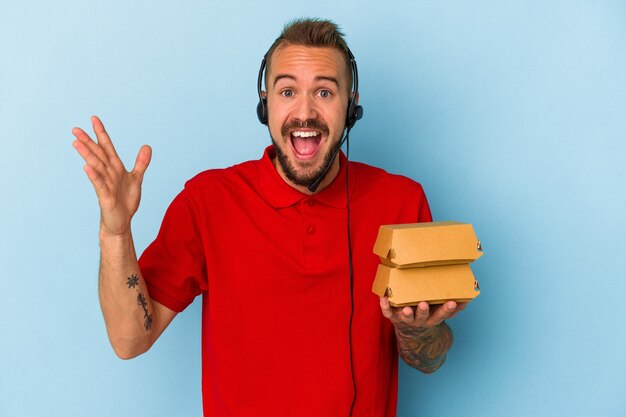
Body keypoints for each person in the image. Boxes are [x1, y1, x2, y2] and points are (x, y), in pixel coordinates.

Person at [72, 18, 466, 417]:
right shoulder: (207, 201)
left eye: (325, 92)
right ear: (266, 104)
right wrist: (115, 230)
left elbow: (429, 360)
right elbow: (128, 340)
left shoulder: (401, 201)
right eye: (288, 91)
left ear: (351, 106)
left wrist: (417, 328)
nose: (305, 112)